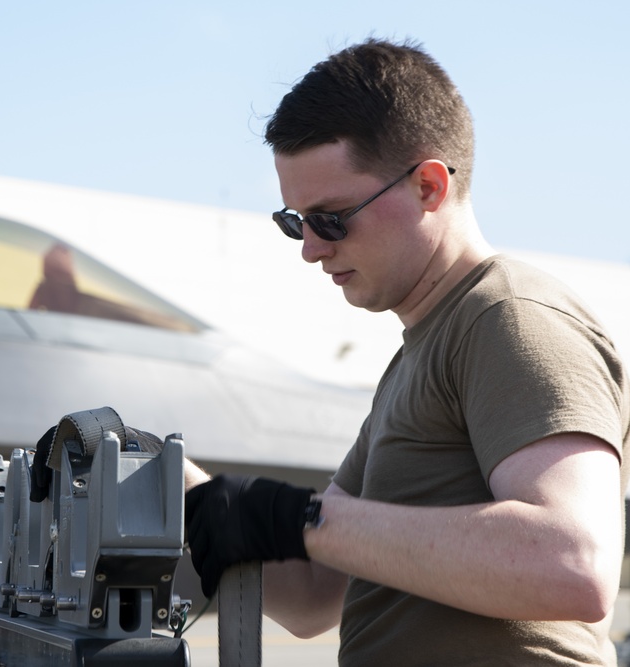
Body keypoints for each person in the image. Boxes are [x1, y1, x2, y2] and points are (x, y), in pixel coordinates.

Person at [184, 38, 630, 665]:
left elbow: (572, 564)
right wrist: (175, 492)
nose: (311, 249)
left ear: (428, 185)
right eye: (295, 222)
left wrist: (296, 517)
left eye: (331, 218)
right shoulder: (422, 353)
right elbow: (314, 597)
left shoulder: (512, 319)